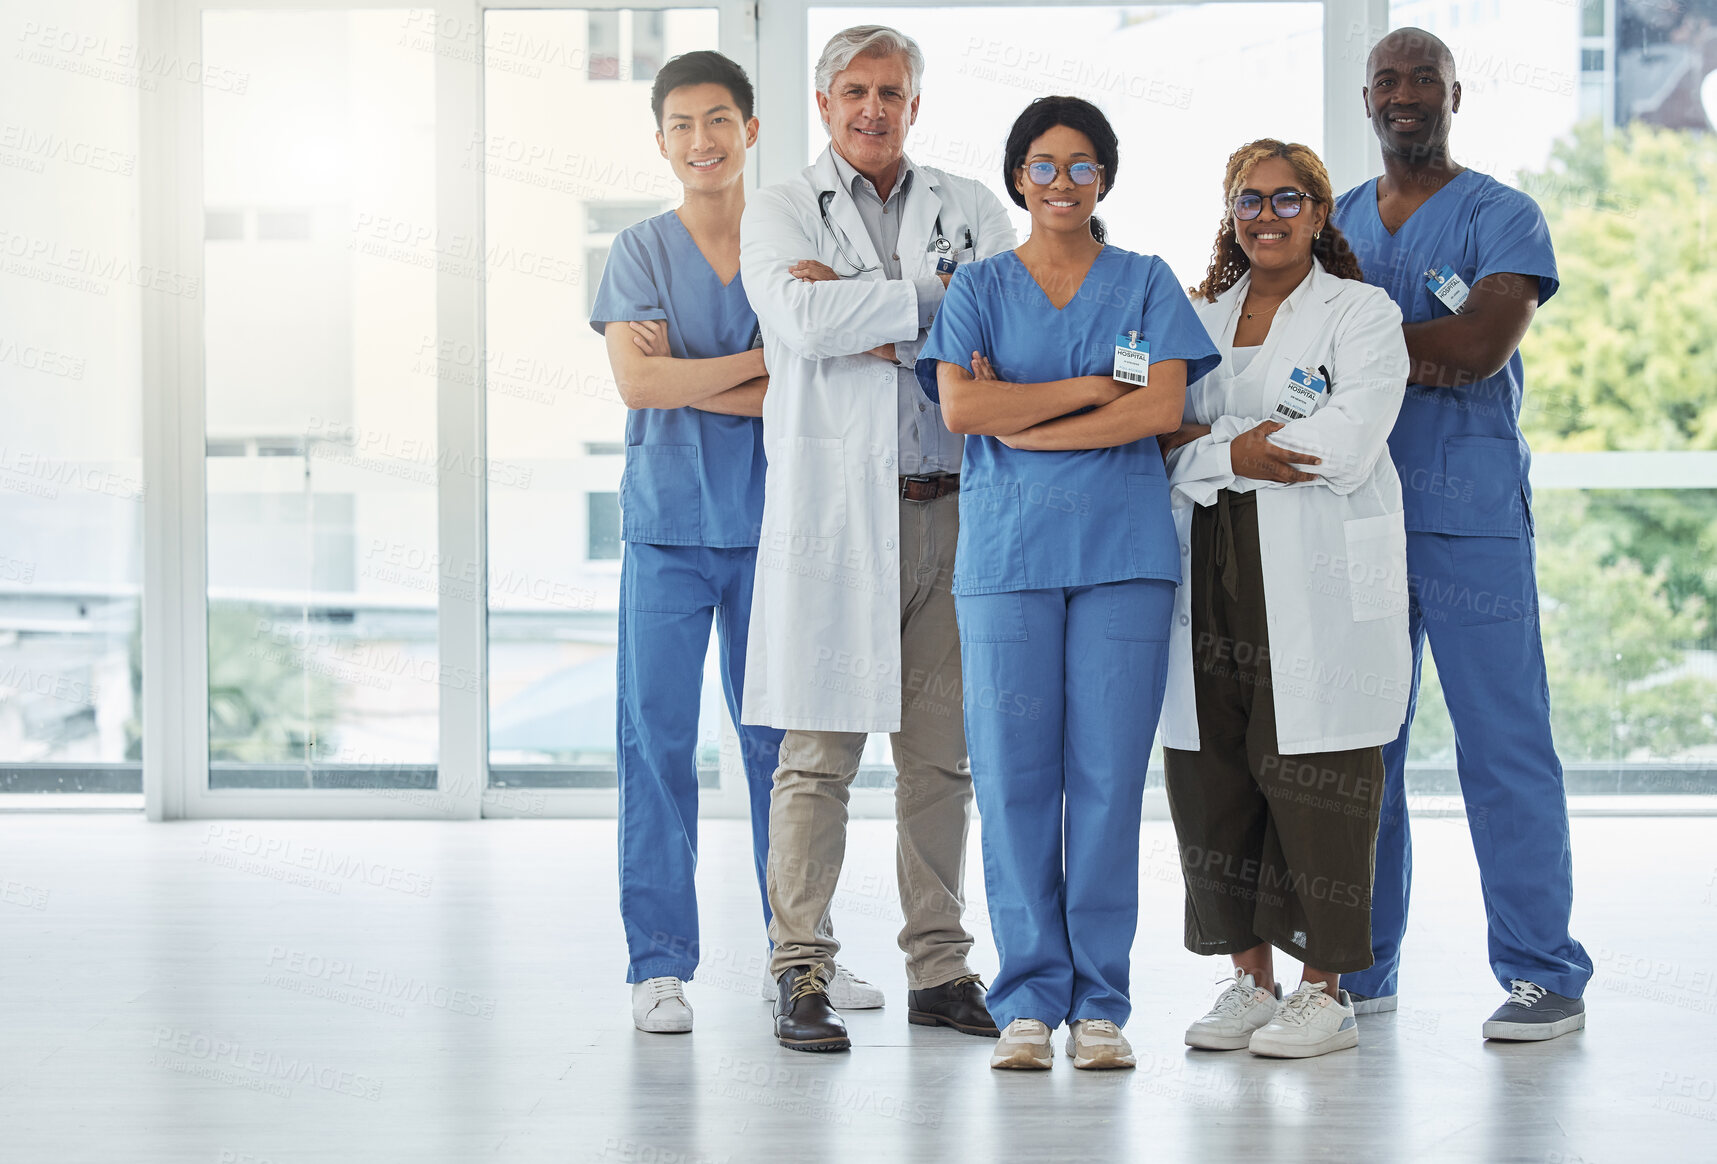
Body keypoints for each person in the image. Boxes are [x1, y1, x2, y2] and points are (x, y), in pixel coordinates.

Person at [921, 96, 1219, 1072]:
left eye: (1080, 165)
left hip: (1122, 561)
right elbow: (962, 405)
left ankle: (1098, 1004)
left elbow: (1162, 406)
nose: (1060, 181)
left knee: (1103, 785)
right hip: (1005, 562)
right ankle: (1026, 1000)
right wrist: (1092, 389)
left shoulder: (1141, 282)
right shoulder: (977, 287)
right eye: (1042, 165)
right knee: (1012, 781)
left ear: (1104, 178)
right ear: (1017, 179)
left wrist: (1025, 418)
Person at [738, 25, 1018, 1053]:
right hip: (834, 524)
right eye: (852, 90)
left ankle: (939, 969)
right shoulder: (777, 211)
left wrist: (857, 308)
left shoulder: (969, 205)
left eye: (890, 91)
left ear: (914, 103)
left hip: (954, 509)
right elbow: (798, 322)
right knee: (814, 757)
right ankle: (800, 968)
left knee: (940, 762)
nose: (871, 108)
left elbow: (1006, 316)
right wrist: (928, 311)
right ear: (823, 103)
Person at [1330, 27, 1592, 1040]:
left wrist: (1347, 348)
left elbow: (1477, 347)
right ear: (1365, 99)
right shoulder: (1337, 222)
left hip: (1470, 518)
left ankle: (1542, 973)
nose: (1405, 95)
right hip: (1358, 517)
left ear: (1452, 95)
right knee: (1360, 753)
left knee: (1504, 747)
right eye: (1387, 80)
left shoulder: (1501, 214)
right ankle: (1360, 967)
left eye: (1423, 80)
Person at [1156, 139, 1410, 1059]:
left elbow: (1342, 441)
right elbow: (1152, 438)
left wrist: (1212, 445)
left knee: (1321, 773)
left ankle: (1325, 991)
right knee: (1214, 767)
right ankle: (1248, 982)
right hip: (1211, 562)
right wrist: (1236, 448)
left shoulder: (1362, 313)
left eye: (1287, 198)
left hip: (1314, 570)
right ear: (1229, 212)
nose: (1267, 215)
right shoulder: (1194, 315)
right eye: (1248, 200)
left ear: (1317, 210)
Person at [588, 50, 787, 1035]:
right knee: (655, 744)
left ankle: (797, 955)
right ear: (661, 140)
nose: (700, 141)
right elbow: (639, 387)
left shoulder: (789, 245)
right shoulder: (637, 250)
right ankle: (657, 963)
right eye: (680, 125)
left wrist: (696, 370)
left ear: (750, 130)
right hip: (667, 528)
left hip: (770, 529)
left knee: (778, 747)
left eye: (718, 120)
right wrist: (762, 364)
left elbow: (811, 391)